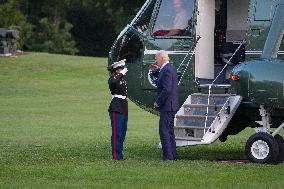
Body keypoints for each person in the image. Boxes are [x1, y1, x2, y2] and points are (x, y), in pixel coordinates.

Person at [152, 50, 179, 160]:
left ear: (162, 58)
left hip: (167, 106)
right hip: (172, 105)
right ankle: (173, 155)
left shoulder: (166, 70)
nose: (155, 60)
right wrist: (155, 72)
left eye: (156, 58)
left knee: (164, 131)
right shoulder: (170, 68)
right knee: (170, 131)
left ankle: (168, 156)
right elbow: (162, 79)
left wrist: (158, 101)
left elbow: (167, 89)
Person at [107, 59, 128, 160]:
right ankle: (116, 156)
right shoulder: (112, 79)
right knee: (117, 132)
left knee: (122, 132)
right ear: (116, 70)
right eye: (121, 68)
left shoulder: (122, 79)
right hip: (116, 107)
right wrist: (120, 74)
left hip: (123, 107)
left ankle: (120, 154)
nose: (123, 70)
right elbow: (114, 82)